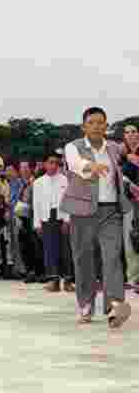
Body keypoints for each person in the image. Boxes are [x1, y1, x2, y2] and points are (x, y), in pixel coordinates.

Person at [61, 107, 138, 327]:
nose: (96, 126)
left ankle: (114, 305)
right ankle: (86, 304)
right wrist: (90, 166)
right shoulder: (73, 147)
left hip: (111, 210)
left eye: (100, 122)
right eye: (92, 122)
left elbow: (130, 152)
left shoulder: (114, 148)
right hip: (82, 211)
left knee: (112, 257)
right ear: (84, 126)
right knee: (83, 258)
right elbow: (75, 164)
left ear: (106, 126)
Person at [32, 153, 73, 292]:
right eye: (50, 162)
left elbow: (69, 201)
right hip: (46, 217)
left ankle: (67, 280)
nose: (53, 165)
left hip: (61, 216)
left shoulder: (65, 180)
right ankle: (53, 280)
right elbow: (36, 204)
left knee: (65, 249)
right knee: (49, 249)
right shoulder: (38, 182)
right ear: (45, 164)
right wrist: (37, 224)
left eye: (56, 163)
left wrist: (67, 220)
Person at [121, 124, 139, 286]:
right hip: (128, 202)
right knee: (129, 241)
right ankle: (133, 278)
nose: (131, 135)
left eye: (134, 131)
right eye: (127, 132)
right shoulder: (123, 155)